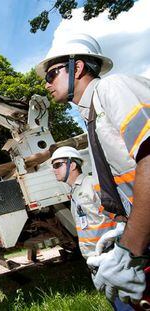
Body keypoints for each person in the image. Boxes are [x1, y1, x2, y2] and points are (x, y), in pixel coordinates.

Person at [35, 34, 150, 308]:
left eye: (52, 74)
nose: (47, 83)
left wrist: (128, 251)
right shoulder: (92, 119)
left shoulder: (112, 89)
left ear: (77, 68)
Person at [50, 146, 117, 259]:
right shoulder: (75, 192)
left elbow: (118, 217)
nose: (54, 170)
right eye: (53, 166)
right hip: (95, 257)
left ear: (72, 165)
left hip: (110, 253)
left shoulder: (92, 184)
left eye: (57, 165)